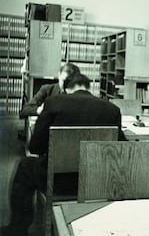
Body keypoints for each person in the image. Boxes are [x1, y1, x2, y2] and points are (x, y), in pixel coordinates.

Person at [1, 73, 127, 236]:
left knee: (24, 166)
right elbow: (121, 146)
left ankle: (18, 228)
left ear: (66, 89)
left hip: (58, 181)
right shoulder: (112, 109)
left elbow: (35, 147)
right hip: (97, 180)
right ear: (88, 88)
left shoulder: (54, 103)